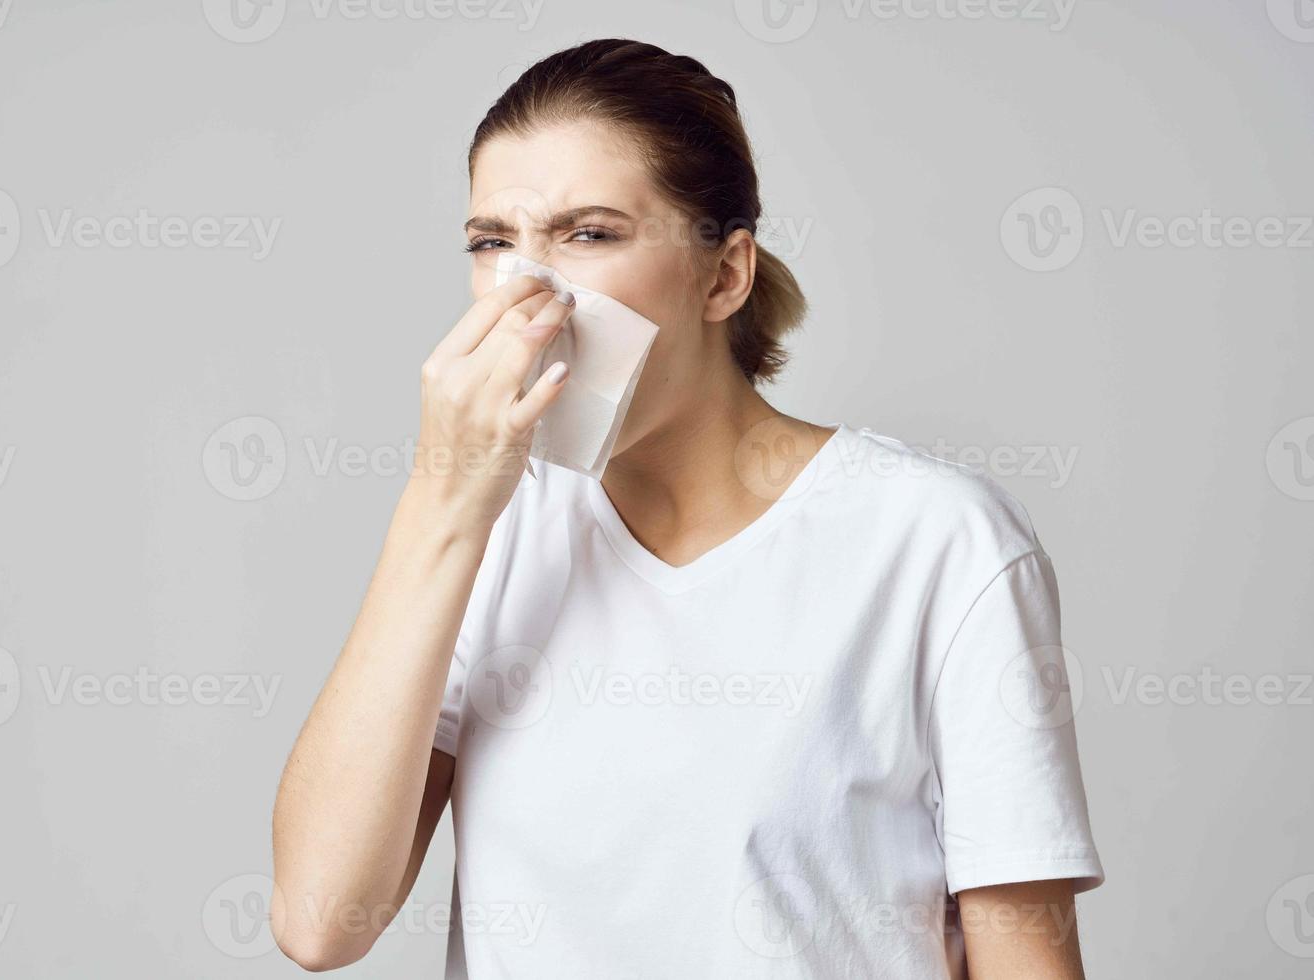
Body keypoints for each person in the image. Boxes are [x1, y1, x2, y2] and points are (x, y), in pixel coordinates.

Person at [271, 37, 1104, 979]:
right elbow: (317, 922)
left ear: (725, 275)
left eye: (589, 234)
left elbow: (1024, 958)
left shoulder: (935, 541)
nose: (528, 292)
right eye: (491, 242)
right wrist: (441, 505)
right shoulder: (487, 533)